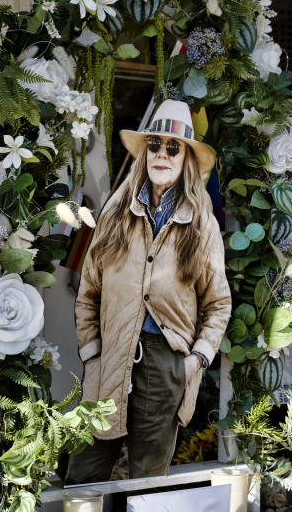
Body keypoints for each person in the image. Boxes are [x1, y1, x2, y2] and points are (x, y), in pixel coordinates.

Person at [68, 99, 231, 483]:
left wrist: (195, 362)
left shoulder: (201, 223)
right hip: (111, 356)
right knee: (84, 477)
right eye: (154, 145)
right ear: (145, 153)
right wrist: (92, 355)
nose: (162, 153)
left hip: (165, 365)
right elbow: (88, 290)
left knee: (148, 483)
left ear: (186, 157)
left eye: (172, 147)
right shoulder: (114, 213)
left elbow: (218, 304)